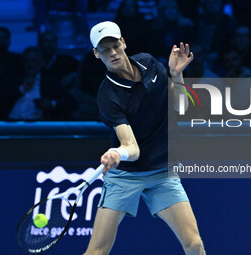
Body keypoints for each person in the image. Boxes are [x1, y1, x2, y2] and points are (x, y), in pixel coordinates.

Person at [84, 21, 205, 255]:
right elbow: (132, 147)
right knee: (97, 251)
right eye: (104, 49)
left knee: (194, 244)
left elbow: (180, 107)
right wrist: (117, 152)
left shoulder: (149, 63)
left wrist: (176, 73)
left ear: (123, 43)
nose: (112, 53)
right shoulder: (108, 95)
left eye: (114, 45)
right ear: (96, 54)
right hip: (125, 177)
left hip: (162, 173)